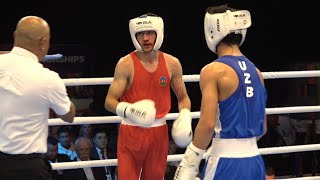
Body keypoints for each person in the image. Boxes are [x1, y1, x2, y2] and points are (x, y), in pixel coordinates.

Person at [174, 4, 268, 180]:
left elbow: (207, 124)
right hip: (255, 162)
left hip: (226, 164)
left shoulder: (213, 70)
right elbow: (262, 128)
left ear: (211, 29)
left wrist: (190, 161)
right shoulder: (257, 73)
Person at [104, 12, 192, 180]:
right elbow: (109, 101)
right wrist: (128, 110)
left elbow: (183, 98)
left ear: (158, 33)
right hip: (131, 131)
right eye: (140, 34)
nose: (145, 38)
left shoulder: (172, 64)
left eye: (150, 33)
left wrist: (185, 116)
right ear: (134, 35)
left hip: (159, 133)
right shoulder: (126, 64)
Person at [0, 16, 76, 180]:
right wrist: (60, 92)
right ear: (43, 42)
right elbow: (68, 116)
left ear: (15, 36)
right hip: (31, 167)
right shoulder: (47, 77)